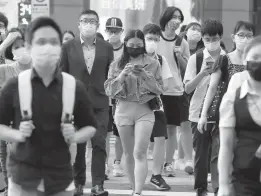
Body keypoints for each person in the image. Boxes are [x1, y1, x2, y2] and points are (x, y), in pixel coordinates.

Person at [0, 16, 97, 196]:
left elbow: (91, 127)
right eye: (41, 42)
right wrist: (17, 134)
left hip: (60, 178)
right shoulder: (14, 86)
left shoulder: (74, 86)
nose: (47, 47)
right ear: (29, 47)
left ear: (60, 48)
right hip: (23, 179)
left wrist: (75, 135)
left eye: (53, 42)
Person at [197, 20, 255, 195]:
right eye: (241, 35)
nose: (245, 39)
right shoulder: (224, 59)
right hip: (226, 113)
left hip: (250, 114)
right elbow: (212, 87)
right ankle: (218, 188)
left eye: (249, 36)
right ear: (233, 37)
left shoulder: (255, 60)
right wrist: (203, 114)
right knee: (220, 151)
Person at [60, 9, 114, 196]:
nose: (89, 24)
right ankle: (78, 183)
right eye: (85, 21)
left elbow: (110, 75)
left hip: (100, 102)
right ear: (79, 24)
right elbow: (62, 75)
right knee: (79, 144)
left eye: (93, 21)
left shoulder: (107, 48)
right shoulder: (68, 47)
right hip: (76, 103)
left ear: (98, 25)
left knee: (99, 142)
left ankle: (98, 185)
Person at [104, 29, 164, 196]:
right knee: (128, 152)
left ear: (143, 45)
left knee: (140, 151)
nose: (135, 48)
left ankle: (138, 192)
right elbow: (109, 90)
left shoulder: (153, 63)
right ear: (125, 45)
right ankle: (133, 187)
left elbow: (159, 89)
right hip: (123, 110)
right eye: (131, 45)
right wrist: (123, 74)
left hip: (144, 110)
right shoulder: (116, 64)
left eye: (139, 46)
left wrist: (145, 75)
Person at [184, 19, 226, 196]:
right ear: (202, 38)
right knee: (201, 153)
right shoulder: (196, 58)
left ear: (220, 37)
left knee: (218, 152)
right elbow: (187, 88)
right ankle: (201, 188)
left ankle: (218, 187)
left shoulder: (227, 58)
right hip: (197, 112)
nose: (211, 42)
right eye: (207, 39)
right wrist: (202, 73)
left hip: (220, 112)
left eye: (214, 38)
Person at [218, 36, 261, 196]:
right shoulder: (233, 99)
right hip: (244, 178)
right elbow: (226, 146)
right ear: (245, 60)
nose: (259, 62)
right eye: (255, 58)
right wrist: (223, 185)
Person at [157, 6, 192, 177]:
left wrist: (180, 56)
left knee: (172, 129)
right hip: (157, 91)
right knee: (155, 130)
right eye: (173, 17)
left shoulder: (182, 42)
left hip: (176, 91)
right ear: (166, 18)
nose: (176, 21)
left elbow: (187, 70)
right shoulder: (155, 39)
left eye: (179, 18)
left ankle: (168, 163)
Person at [0, 27, 32, 195]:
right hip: (10, 125)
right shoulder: (7, 69)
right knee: (8, 160)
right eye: (16, 46)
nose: (20, 49)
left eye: (23, 45)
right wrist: (4, 43)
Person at [143, 23, 172, 191]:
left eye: (155, 39)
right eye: (149, 38)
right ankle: (136, 174)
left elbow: (165, 85)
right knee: (138, 143)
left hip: (156, 105)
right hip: (136, 106)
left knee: (161, 138)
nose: (152, 42)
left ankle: (156, 175)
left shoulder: (161, 59)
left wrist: (152, 85)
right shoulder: (133, 57)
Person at [105, 17, 124, 178]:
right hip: (104, 96)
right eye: (110, 30)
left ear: (121, 32)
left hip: (121, 97)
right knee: (105, 132)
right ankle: (105, 164)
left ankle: (117, 163)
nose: (113, 33)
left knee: (118, 133)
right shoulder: (102, 47)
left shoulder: (127, 49)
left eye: (116, 31)